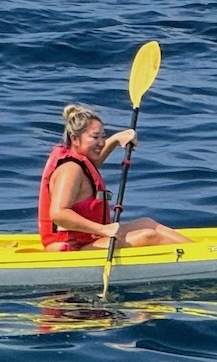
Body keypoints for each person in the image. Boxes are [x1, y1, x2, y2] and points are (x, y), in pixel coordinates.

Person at [37, 102, 188, 252]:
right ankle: (199, 259)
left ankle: (197, 250)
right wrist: (103, 229)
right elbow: (59, 214)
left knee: (147, 223)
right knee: (148, 236)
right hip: (71, 247)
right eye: (95, 137)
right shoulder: (70, 169)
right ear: (75, 139)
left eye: (103, 136)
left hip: (86, 240)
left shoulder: (79, 163)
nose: (101, 143)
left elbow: (94, 163)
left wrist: (116, 139)